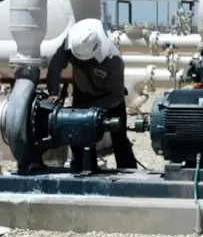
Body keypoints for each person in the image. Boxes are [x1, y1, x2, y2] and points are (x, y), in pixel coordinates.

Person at [45, 18, 139, 172]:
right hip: (82, 94)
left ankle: (129, 174)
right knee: (76, 135)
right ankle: (83, 171)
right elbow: (55, 65)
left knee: (119, 139)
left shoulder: (113, 60)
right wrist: (53, 92)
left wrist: (92, 111)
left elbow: (116, 95)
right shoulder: (71, 44)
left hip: (109, 99)